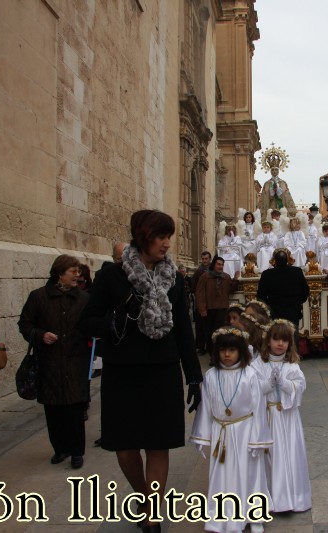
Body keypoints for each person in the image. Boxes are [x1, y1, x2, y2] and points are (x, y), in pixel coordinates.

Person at [78, 210, 203, 533]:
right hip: (123, 371)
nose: (166, 244)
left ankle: (152, 513)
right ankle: (144, 496)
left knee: (158, 444)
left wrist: (193, 375)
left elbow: (183, 332)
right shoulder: (111, 276)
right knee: (126, 446)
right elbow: (87, 321)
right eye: (161, 237)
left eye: (169, 237)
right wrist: (115, 320)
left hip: (162, 369)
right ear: (144, 236)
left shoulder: (173, 277)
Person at [189, 327, 272, 532]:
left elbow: (258, 408)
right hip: (221, 432)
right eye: (223, 350)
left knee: (250, 473)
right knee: (223, 475)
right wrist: (202, 436)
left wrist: (257, 439)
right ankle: (223, 516)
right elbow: (206, 407)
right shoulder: (210, 376)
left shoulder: (250, 375)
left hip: (245, 430)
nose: (227, 355)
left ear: (241, 351)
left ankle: (254, 516)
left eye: (232, 350)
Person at [18, 254, 90, 470]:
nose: (77, 276)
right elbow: (25, 324)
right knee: (54, 409)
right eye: (73, 272)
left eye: (78, 271)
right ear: (60, 274)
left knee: (76, 409)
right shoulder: (38, 297)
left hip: (76, 361)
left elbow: (93, 323)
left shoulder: (84, 299)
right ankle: (60, 448)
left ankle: (77, 451)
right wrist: (41, 335)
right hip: (49, 362)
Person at [251, 319, 311, 512]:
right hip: (267, 416)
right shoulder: (258, 364)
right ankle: (272, 498)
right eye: (276, 339)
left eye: (284, 340)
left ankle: (293, 497)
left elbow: (299, 386)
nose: (280, 344)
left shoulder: (292, 364)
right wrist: (268, 384)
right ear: (268, 341)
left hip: (287, 417)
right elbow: (251, 389)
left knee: (289, 454)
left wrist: (284, 383)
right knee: (271, 458)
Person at [195, 256, 240, 354]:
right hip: (209, 309)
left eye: (222, 265)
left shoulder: (226, 277)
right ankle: (212, 354)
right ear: (213, 265)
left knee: (221, 333)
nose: (220, 266)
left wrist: (236, 279)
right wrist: (202, 309)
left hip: (222, 309)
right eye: (218, 264)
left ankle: (219, 354)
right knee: (210, 333)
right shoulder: (205, 276)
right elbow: (199, 293)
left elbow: (231, 289)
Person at [256, 248, 309, 328]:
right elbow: (305, 291)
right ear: (287, 260)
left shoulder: (267, 274)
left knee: (276, 336)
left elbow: (261, 296)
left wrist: (269, 306)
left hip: (274, 311)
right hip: (293, 310)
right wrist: (297, 302)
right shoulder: (297, 272)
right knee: (292, 336)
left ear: (274, 260)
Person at [190, 251, 213, 353]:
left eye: (206, 259)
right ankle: (201, 346)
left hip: (211, 303)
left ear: (209, 259)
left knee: (209, 326)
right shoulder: (198, 271)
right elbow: (193, 285)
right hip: (200, 302)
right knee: (200, 326)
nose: (204, 261)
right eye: (203, 259)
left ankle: (210, 346)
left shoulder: (213, 270)